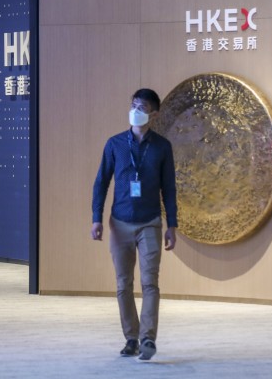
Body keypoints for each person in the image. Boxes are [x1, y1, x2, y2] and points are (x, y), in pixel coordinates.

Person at [91, 88, 178, 361]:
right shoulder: (115, 144)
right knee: (123, 284)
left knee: (150, 282)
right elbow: (101, 183)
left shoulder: (162, 147)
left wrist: (171, 225)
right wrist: (97, 219)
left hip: (150, 222)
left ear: (153, 114)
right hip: (120, 223)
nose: (136, 111)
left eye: (142, 107)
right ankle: (132, 338)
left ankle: (148, 338)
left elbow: (169, 188)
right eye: (133, 105)